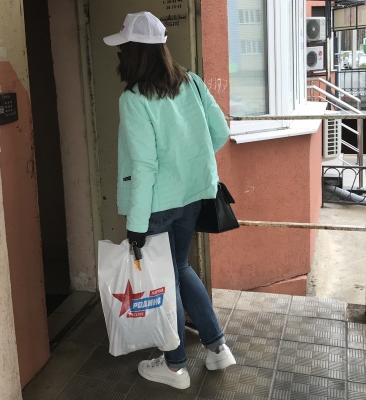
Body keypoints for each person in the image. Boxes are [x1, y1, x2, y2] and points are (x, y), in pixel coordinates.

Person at [103, 11, 236, 390]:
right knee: (178, 269)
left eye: (124, 48)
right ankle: (217, 347)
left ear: (135, 52)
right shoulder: (191, 82)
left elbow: (144, 166)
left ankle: (175, 366)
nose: (120, 55)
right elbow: (220, 132)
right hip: (192, 197)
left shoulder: (133, 99)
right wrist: (188, 166)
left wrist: (135, 226)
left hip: (156, 206)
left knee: (166, 279)